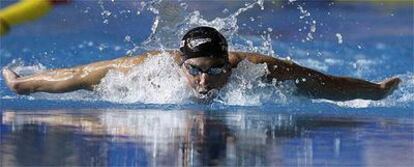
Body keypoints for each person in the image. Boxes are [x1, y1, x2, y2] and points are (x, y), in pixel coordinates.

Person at [2, 26, 401, 101]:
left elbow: (327, 83)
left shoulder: (257, 69)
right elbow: (76, 75)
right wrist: (24, 84)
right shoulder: (145, 71)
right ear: (181, 64)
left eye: (214, 70)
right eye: (195, 70)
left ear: (229, 64)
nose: (204, 82)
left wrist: (376, 92)